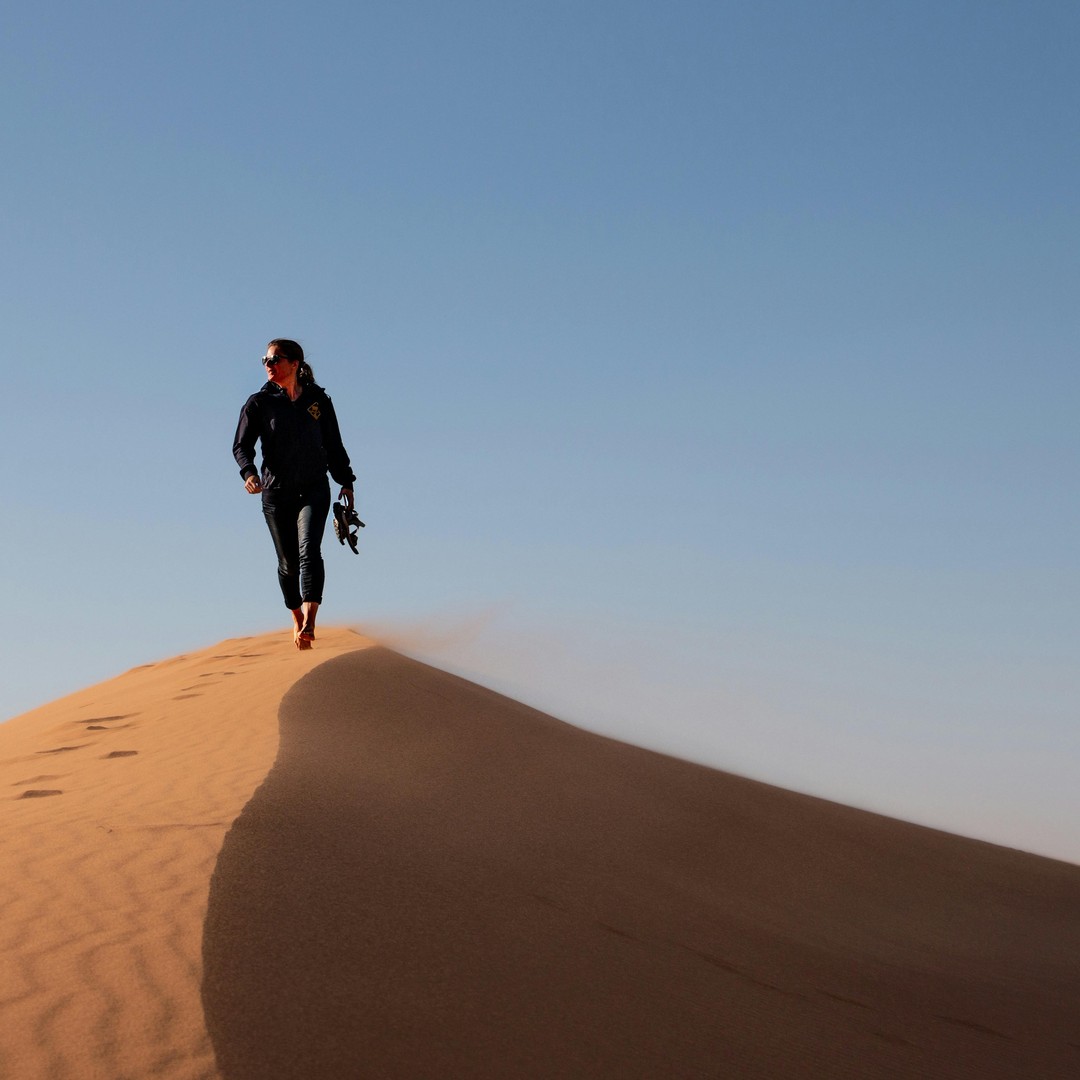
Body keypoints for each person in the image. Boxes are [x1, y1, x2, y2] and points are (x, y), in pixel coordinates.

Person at [233, 339, 357, 650]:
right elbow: (241, 446)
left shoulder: (318, 400)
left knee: (309, 551)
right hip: (276, 493)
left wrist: (346, 481)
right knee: (288, 563)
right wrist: (249, 473)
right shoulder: (259, 403)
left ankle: (311, 619)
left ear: (295, 363)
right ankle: (295, 616)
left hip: (314, 488)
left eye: (275, 359)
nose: (268, 364)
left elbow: (333, 444)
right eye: (265, 359)